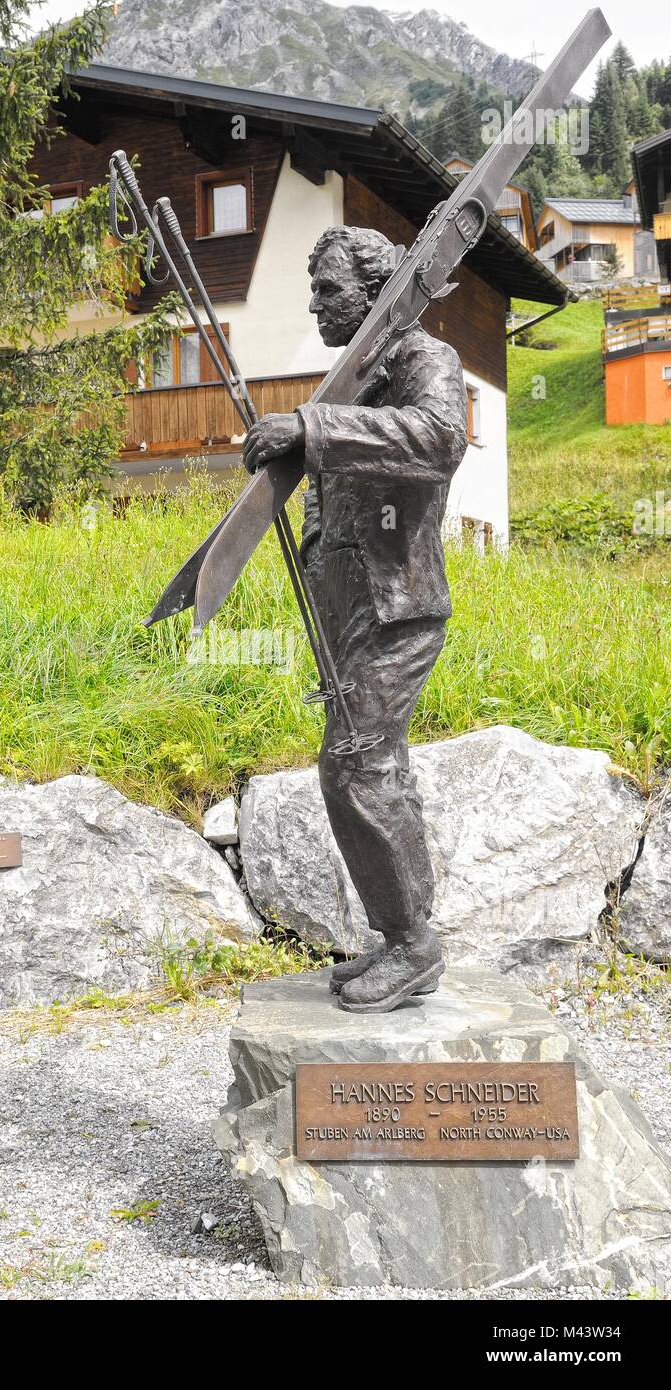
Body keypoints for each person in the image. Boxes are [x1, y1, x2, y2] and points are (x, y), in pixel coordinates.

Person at [242, 225, 468, 1012]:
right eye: (314, 291)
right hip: (352, 616)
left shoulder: (423, 360)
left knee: (355, 766)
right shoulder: (357, 378)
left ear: (376, 293)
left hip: (399, 610)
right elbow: (333, 509)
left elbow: (439, 438)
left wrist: (312, 428)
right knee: (371, 769)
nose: (316, 306)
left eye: (329, 291)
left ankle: (413, 945)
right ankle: (402, 936)